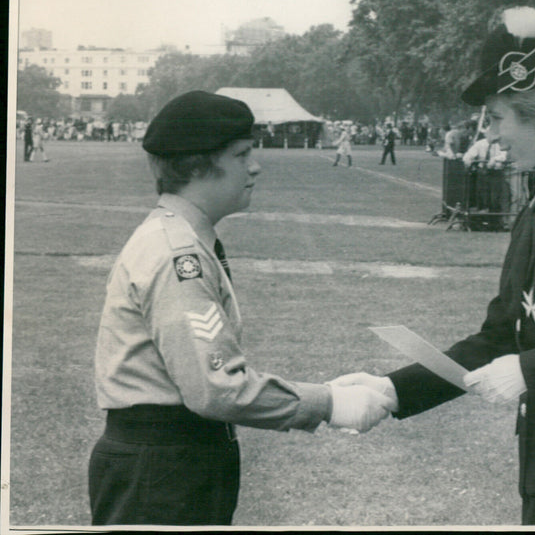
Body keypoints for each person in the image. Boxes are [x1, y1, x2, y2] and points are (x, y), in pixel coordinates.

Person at [334, 7, 535, 525]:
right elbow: (500, 335)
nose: (488, 132)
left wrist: (531, 369)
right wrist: (394, 390)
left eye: (496, 117)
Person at [88, 91, 393, 526]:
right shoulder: (178, 255)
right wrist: (329, 403)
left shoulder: (181, 240)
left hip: (171, 459)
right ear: (198, 165)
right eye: (242, 154)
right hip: (163, 467)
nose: (255, 166)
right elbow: (217, 389)